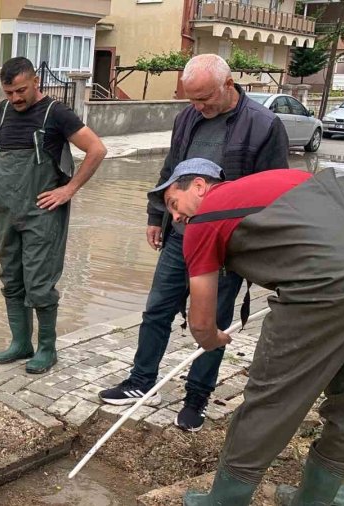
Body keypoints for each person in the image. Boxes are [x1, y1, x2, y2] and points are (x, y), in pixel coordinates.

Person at [99, 54, 290, 432]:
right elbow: (170, 170)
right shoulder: (187, 118)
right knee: (156, 309)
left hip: (226, 244)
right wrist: (157, 216)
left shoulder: (264, 125)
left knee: (213, 322)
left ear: (228, 85)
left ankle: (196, 398)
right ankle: (141, 381)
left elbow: (272, 192)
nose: (198, 107)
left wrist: (256, 247)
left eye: (205, 99)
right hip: (180, 236)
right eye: (192, 99)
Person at [150, 158, 344, 505]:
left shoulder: (204, 220)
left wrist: (213, 339)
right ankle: (317, 498)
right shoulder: (282, 179)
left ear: (198, 186)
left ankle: (224, 500)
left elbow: (200, 321)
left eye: (173, 204)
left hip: (327, 288)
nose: (177, 218)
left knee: (271, 400)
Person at [0, 57, 107, 375]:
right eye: (9, 92)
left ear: (36, 82)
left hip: (42, 211)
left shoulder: (56, 113)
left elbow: (97, 149)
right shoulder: (3, 111)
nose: (15, 98)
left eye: (20, 90)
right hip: (7, 211)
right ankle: (20, 343)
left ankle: (47, 348)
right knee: (10, 278)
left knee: (38, 282)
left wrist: (69, 190)